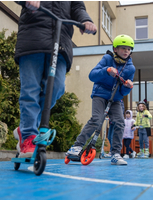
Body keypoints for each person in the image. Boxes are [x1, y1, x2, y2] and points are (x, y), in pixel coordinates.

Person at [12, 1, 97, 158]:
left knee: (56, 88)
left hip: (60, 41)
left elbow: (77, 7)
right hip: (32, 38)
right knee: (30, 90)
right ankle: (29, 136)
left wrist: (86, 20)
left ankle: (24, 128)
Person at [67, 34, 136, 165]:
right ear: (115, 49)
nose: (126, 51)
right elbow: (92, 76)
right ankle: (76, 146)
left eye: (128, 49)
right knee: (96, 119)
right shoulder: (107, 58)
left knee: (119, 122)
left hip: (115, 99)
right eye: (123, 48)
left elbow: (123, 92)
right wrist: (106, 70)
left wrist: (128, 87)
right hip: (100, 95)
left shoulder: (130, 68)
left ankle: (115, 154)